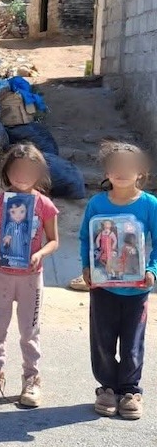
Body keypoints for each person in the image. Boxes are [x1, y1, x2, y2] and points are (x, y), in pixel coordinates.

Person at [80, 142, 157, 420]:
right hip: (103, 286)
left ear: (141, 172)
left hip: (137, 289)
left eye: (129, 167)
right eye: (115, 167)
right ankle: (107, 388)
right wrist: (87, 266)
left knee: (132, 342)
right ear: (107, 172)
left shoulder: (150, 205)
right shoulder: (97, 203)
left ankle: (129, 390)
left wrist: (152, 269)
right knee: (102, 339)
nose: (122, 172)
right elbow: (85, 238)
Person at [0, 144, 59, 407]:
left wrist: (40, 255)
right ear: (7, 172)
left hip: (30, 278)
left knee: (29, 330)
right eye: (17, 170)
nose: (23, 175)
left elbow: (54, 240)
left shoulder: (44, 205)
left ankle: (31, 379)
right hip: (1, 275)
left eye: (29, 171)